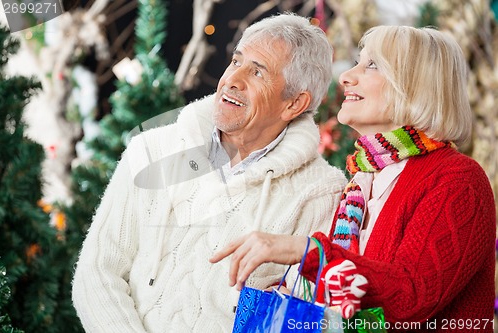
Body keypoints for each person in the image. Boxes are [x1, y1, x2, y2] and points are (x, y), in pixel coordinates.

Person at [71, 12, 347, 333]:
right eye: (236, 61)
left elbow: (317, 317)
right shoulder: (151, 150)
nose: (233, 79)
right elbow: (97, 273)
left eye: (258, 72)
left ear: (294, 104)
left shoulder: (321, 193)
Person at [210, 25, 496, 332]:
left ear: (416, 85)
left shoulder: (457, 179)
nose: (346, 76)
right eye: (358, 61)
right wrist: (290, 298)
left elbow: (411, 299)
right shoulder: (362, 183)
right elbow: (351, 310)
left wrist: (308, 251)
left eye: (372, 65)